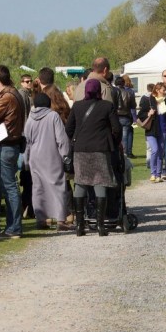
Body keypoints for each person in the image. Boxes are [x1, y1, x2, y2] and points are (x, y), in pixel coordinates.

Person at [66, 79, 121, 236]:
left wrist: (76, 140)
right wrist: (112, 143)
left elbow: (68, 128)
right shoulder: (107, 106)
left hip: (81, 150)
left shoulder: (77, 106)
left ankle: (79, 226)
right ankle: (100, 225)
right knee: (100, 182)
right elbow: (116, 128)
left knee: (80, 183)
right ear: (99, 91)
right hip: (100, 149)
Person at [0, 65, 26, 239]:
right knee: (11, 186)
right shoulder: (15, 93)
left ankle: (14, 228)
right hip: (12, 144)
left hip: (5, 145)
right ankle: (12, 226)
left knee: (9, 187)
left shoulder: (6, 97)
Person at [24, 93, 72, 231]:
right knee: (57, 186)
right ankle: (61, 219)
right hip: (52, 156)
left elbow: (26, 141)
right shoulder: (53, 116)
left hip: (35, 158)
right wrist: (65, 155)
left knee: (38, 188)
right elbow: (61, 139)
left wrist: (26, 160)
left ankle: (41, 219)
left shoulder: (30, 119)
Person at [138, 83, 165, 183]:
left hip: (162, 130)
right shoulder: (148, 100)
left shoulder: (165, 102)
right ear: (157, 90)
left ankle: (158, 174)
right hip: (151, 130)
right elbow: (140, 114)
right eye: (163, 90)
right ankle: (153, 173)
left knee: (160, 152)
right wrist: (148, 113)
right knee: (155, 150)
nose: (164, 92)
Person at [114, 77, 136, 160]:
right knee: (125, 136)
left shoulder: (113, 92)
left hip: (116, 116)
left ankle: (120, 153)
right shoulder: (129, 93)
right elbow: (133, 106)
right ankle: (125, 153)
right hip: (126, 116)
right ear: (123, 83)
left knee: (117, 136)